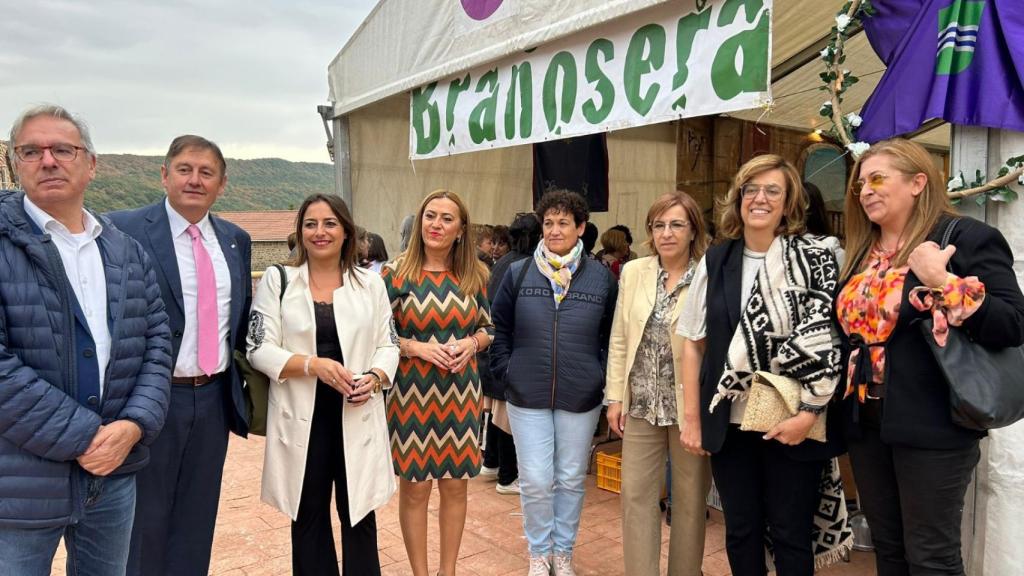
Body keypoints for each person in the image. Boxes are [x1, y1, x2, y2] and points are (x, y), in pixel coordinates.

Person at [835, 138, 1024, 575]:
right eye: (860, 183)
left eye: (878, 178)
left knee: (931, 558)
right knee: (889, 549)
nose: (865, 190)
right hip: (866, 420)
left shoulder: (965, 238)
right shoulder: (862, 251)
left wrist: (941, 278)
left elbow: (1013, 323)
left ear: (918, 182)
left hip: (934, 420)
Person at [0, 104, 172, 575]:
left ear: (91, 163)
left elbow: (156, 342)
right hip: (19, 482)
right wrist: (85, 436)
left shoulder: (123, 249)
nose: (48, 160)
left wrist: (134, 424)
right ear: (16, 165)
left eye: (62, 149)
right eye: (31, 151)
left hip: (113, 477)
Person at [677, 154, 844, 575]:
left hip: (791, 420)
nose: (760, 198)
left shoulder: (814, 259)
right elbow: (693, 344)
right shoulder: (717, 261)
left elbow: (830, 344)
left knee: (791, 531)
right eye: (751, 189)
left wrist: (810, 413)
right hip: (731, 425)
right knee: (741, 528)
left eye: (773, 190)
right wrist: (692, 419)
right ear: (738, 198)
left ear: (789, 203)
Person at [107, 135, 253, 576]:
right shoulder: (121, 229)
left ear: (222, 184)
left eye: (206, 172)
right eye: (185, 169)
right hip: (149, 399)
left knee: (197, 518)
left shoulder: (235, 239)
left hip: (212, 399)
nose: (195, 180)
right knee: (142, 524)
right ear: (164, 175)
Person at [247, 194, 398, 575]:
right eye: (310, 224)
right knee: (308, 516)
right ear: (300, 231)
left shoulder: (370, 285)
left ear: (346, 231)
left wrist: (376, 376)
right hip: (303, 418)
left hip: (356, 413)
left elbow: (389, 343)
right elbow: (258, 348)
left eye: (329, 223)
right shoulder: (278, 281)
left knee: (359, 514)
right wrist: (312, 365)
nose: (319, 232)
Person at [490, 189, 617, 576]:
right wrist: (507, 371)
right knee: (536, 479)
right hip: (527, 393)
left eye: (564, 222)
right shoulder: (519, 272)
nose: (554, 230)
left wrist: (599, 376)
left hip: (581, 395)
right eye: (548, 223)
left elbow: (612, 337)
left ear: (580, 228)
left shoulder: (602, 278)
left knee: (569, 477)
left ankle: (562, 553)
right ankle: (538, 553)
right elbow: (499, 329)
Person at [383, 189, 493, 576]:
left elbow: (489, 328)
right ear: (420, 221)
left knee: (455, 485)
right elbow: (376, 335)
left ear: (461, 229)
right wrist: (414, 347)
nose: (436, 224)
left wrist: (472, 342)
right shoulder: (394, 275)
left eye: (447, 218)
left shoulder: (476, 276)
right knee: (414, 488)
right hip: (410, 394)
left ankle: (447, 572)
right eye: (430, 216)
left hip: (461, 393)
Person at [605, 191, 711, 576]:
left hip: (690, 411)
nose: (667, 233)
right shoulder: (635, 272)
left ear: (693, 229)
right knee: (635, 497)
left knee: (689, 501)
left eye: (677, 224)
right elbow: (619, 337)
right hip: (642, 404)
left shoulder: (708, 274)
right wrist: (615, 396)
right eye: (659, 225)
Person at [479, 212, 542, 495]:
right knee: (506, 417)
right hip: (510, 351)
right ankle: (508, 476)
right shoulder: (527, 265)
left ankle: (491, 463)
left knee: (496, 412)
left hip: (492, 350)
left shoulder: (503, 261)